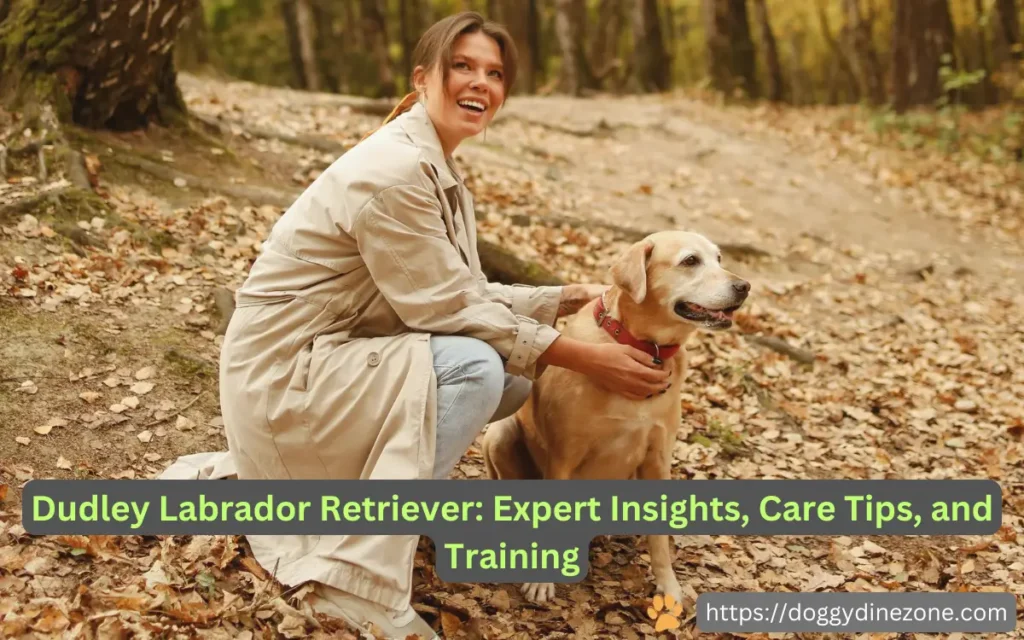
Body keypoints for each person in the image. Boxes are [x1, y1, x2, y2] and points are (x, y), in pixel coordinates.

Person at [174, 11, 671, 640]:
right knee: (476, 369)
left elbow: (459, 289)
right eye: (462, 65)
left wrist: (563, 296)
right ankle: (356, 578)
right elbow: (445, 311)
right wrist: (583, 356)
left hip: (334, 359)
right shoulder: (396, 171)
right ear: (423, 78)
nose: (480, 82)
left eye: (494, 72)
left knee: (511, 382)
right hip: (287, 374)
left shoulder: (437, 164)